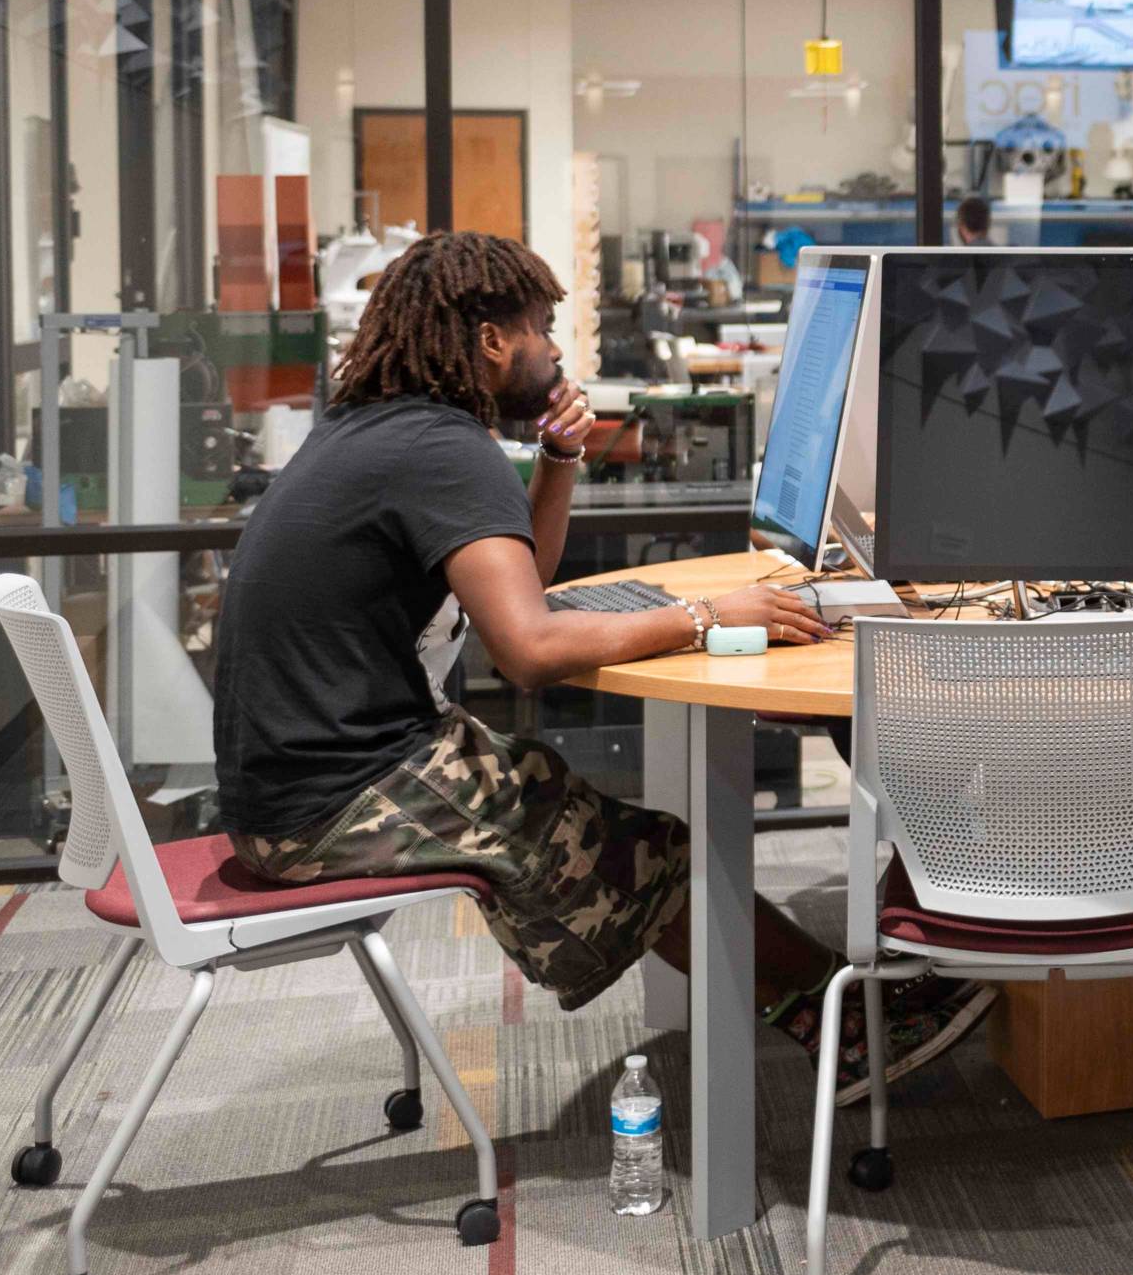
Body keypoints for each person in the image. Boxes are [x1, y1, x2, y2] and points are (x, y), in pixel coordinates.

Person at [213, 230, 988, 1100]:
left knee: (594, 816)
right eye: (541, 327)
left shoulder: (386, 428)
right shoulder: (440, 449)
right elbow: (532, 651)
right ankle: (844, 1032)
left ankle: (834, 997)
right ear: (490, 340)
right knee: (651, 855)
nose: (554, 349)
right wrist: (703, 616)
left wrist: (559, 462)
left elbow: (522, 588)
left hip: (296, 784)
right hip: (330, 806)